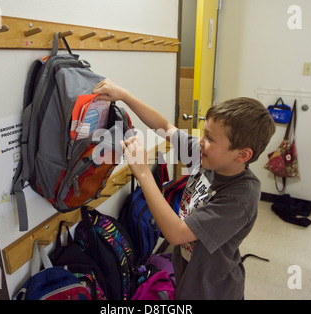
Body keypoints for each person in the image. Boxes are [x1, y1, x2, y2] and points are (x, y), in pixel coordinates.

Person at [93, 79, 275, 300]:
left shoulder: (241, 197)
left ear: (242, 155)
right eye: (204, 133)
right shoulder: (207, 155)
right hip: (187, 278)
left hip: (213, 292)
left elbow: (176, 233)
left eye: (210, 138)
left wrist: (142, 172)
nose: (200, 142)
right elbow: (166, 128)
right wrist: (125, 96)